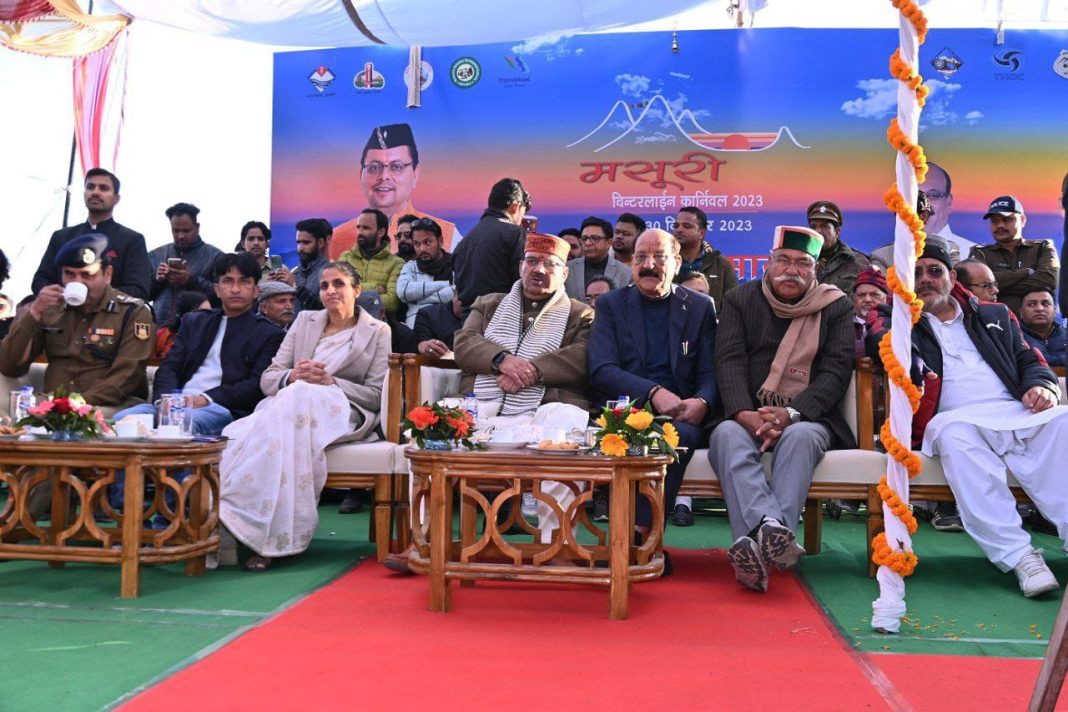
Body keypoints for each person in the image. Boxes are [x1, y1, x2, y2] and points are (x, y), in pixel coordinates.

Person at [866, 240, 1068, 597]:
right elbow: (878, 334)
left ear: (952, 277)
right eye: (916, 273)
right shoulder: (896, 315)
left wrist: (1042, 387)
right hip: (951, 419)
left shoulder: (994, 314)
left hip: (1013, 411)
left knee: (1063, 419)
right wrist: (907, 355)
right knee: (957, 438)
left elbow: (1030, 359)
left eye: (934, 271)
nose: (925, 279)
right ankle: (1020, 556)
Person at [218, 261, 391, 571]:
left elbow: (376, 395)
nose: (330, 291)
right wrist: (293, 376)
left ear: (356, 290)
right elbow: (269, 378)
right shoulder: (304, 322)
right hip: (288, 406)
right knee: (234, 436)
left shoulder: (378, 331)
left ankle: (270, 538)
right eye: (324, 286)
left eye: (338, 284)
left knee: (294, 400)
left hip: (342, 409)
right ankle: (244, 525)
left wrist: (330, 381)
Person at [708, 226, 854, 592]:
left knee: (801, 438)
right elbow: (728, 360)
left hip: (809, 416)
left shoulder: (835, 305)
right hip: (745, 413)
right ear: (768, 264)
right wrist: (743, 413)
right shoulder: (740, 299)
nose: (792, 270)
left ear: (815, 269)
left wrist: (791, 414)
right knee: (726, 434)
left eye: (803, 263)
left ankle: (756, 545)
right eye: (784, 260)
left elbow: (836, 371)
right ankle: (772, 533)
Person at [588, 228, 718, 537]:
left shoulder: (699, 306)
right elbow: (601, 369)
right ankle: (639, 538)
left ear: (677, 262)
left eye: (659, 256)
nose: (649, 265)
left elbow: (712, 371)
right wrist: (653, 392)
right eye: (641, 257)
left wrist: (703, 401)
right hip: (625, 409)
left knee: (674, 437)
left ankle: (637, 536)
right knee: (629, 436)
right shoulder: (611, 304)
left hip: (680, 416)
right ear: (632, 263)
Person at [115, 252, 285, 435]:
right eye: (228, 281)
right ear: (217, 289)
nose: (235, 289)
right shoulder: (195, 322)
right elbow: (169, 367)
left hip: (222, 408)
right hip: (176, 404)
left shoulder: (269, 333)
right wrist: (165, 401)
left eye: (244, 281)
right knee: (121, 421)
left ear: (256, 291)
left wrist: (205, 399)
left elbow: (255, 384)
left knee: (180, 426)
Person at [0, 234, 154, 413]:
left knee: (86, 420)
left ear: (107, 275)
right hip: (54, 403)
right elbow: (9, 366)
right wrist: (33, 313)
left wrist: (76, 404)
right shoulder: (50, 307)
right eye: (69, 274)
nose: (77, 282)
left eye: (87, 275)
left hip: (109, 405)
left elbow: (127, 376)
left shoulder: (133, 312)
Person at [329, 123, 460, 257]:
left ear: (415, 174)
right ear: (361, 174)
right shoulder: (335, 240)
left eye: (396, 167)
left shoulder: (447, 236)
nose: (384, 176)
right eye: (374, 167)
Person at [32, 168, 152, 300]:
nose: (95, 192)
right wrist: (65, 295)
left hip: (111, 312)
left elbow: (139, 290)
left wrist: (93, 298)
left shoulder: (132, 240)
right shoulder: (61, 237)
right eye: (90, 187)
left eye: (103, 188)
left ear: (116, 198)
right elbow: (40, 280)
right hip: (63, 309)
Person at [970, 196, 1060, 314]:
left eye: (1007, 219)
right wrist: (1025, 272)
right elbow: (979, 287)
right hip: (995, 322)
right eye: (995, 221)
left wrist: (997, 287)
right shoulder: (980, 253)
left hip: (1036, 323)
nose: (1000, 225)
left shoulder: (1043, 248)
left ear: (1022, 220)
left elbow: (1049, 280)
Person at [453, 178, 530, 312]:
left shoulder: (463, 243)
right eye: (522, 214)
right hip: (502, 317)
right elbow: (522, 283)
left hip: (469, 320)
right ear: (515, 206)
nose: (521, 220)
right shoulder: (515, 233)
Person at [149, 202, 224, 323]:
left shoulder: (216, 257)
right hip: (160, 328)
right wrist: (157, 280)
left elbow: (223, 295)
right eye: (176, 231)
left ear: (197, 227)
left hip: (200, 327)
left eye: (186, 230)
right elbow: (142, 296)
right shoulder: (155, 255)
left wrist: (190, 280)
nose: (180, 236)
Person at [338, 208, 405, 318]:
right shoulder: (346, 257)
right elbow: (339, 292)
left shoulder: (397, 263)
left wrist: (352, 294)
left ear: (381, 232)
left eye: (366, 228)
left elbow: (392, 304)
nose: (360, 232)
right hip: (347, 321)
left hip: (379, 323)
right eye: (358, 227)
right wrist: (376, 289)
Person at [672, 206, 737, 313]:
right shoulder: (666, 262)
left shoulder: (721, 264)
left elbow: (732, 305)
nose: (679, 230)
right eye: (676, 225)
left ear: (701, 233)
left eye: (687, 226)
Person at [396, 217, 454, 328]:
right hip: (415, 329)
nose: (422, 249)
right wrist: (445, 285)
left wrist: (417, 300)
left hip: (448, 328)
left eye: (427, 242)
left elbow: (457, 294)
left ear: (440, 241)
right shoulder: (410, 266)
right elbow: (403, 292)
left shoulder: (455, 263)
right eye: (417, 244)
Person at [269, 217, 332, 316]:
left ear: (320, 243)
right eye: (298, 242)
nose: (300, 248)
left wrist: (295, 286)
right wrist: (277, 287)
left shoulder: (332, 272)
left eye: (306, 242)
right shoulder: (294, 273)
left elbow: (327, 310)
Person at [806, 200, 871, 293]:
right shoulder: (798, 259)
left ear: (837, 232)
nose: (818, 231)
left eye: (825, 226)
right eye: (813, 226)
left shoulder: (859, 261)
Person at [920, 161, 979, 258]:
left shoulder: (974, 256)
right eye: (914, 196)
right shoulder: (893, 254)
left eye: (933, 195)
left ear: (948, 201)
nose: (923, 204)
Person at [563, 216, 631, 301]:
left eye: (595, 238)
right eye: (584, 239)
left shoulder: (626, 273)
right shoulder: (566, 269)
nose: (588, 243)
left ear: (609, 242)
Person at [153, 291, 211, 360]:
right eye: (203, 313)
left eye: (210, 313)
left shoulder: (212, 338)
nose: (208, 317)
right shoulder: (164, 335)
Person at [1018, 288, 1065, 367]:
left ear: (1054, 311)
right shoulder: (1013, 338)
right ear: (1021, 313)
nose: (1039, 309)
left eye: (1046, 304)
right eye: (1031, 304)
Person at [851, 266, 889, 358]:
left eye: (874, 295)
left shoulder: (896, 326)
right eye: (861, 295)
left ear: (886, 299)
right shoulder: (841, 326)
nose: (867, 299)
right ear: (853, 299)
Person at [414, 294, 463, 359]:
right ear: (454, 294)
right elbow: (419, 344)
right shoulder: (428, 315)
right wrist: (424, 345)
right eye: (464, 300)